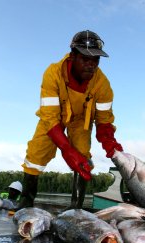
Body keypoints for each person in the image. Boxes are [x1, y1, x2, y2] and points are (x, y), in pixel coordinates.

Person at [18, 30, 123, 209]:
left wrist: (112, 148)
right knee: (36, 153)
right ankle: (26, 203)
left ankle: (76, 208)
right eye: (85, 59)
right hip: (54, 118)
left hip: (81, 119)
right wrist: (66, 149)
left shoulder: (103, 85)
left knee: (82, 154)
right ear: (72, 56)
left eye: (95, 60)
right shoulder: (53, 73)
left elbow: (104, 121)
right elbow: (50, 118)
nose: (91, 65)